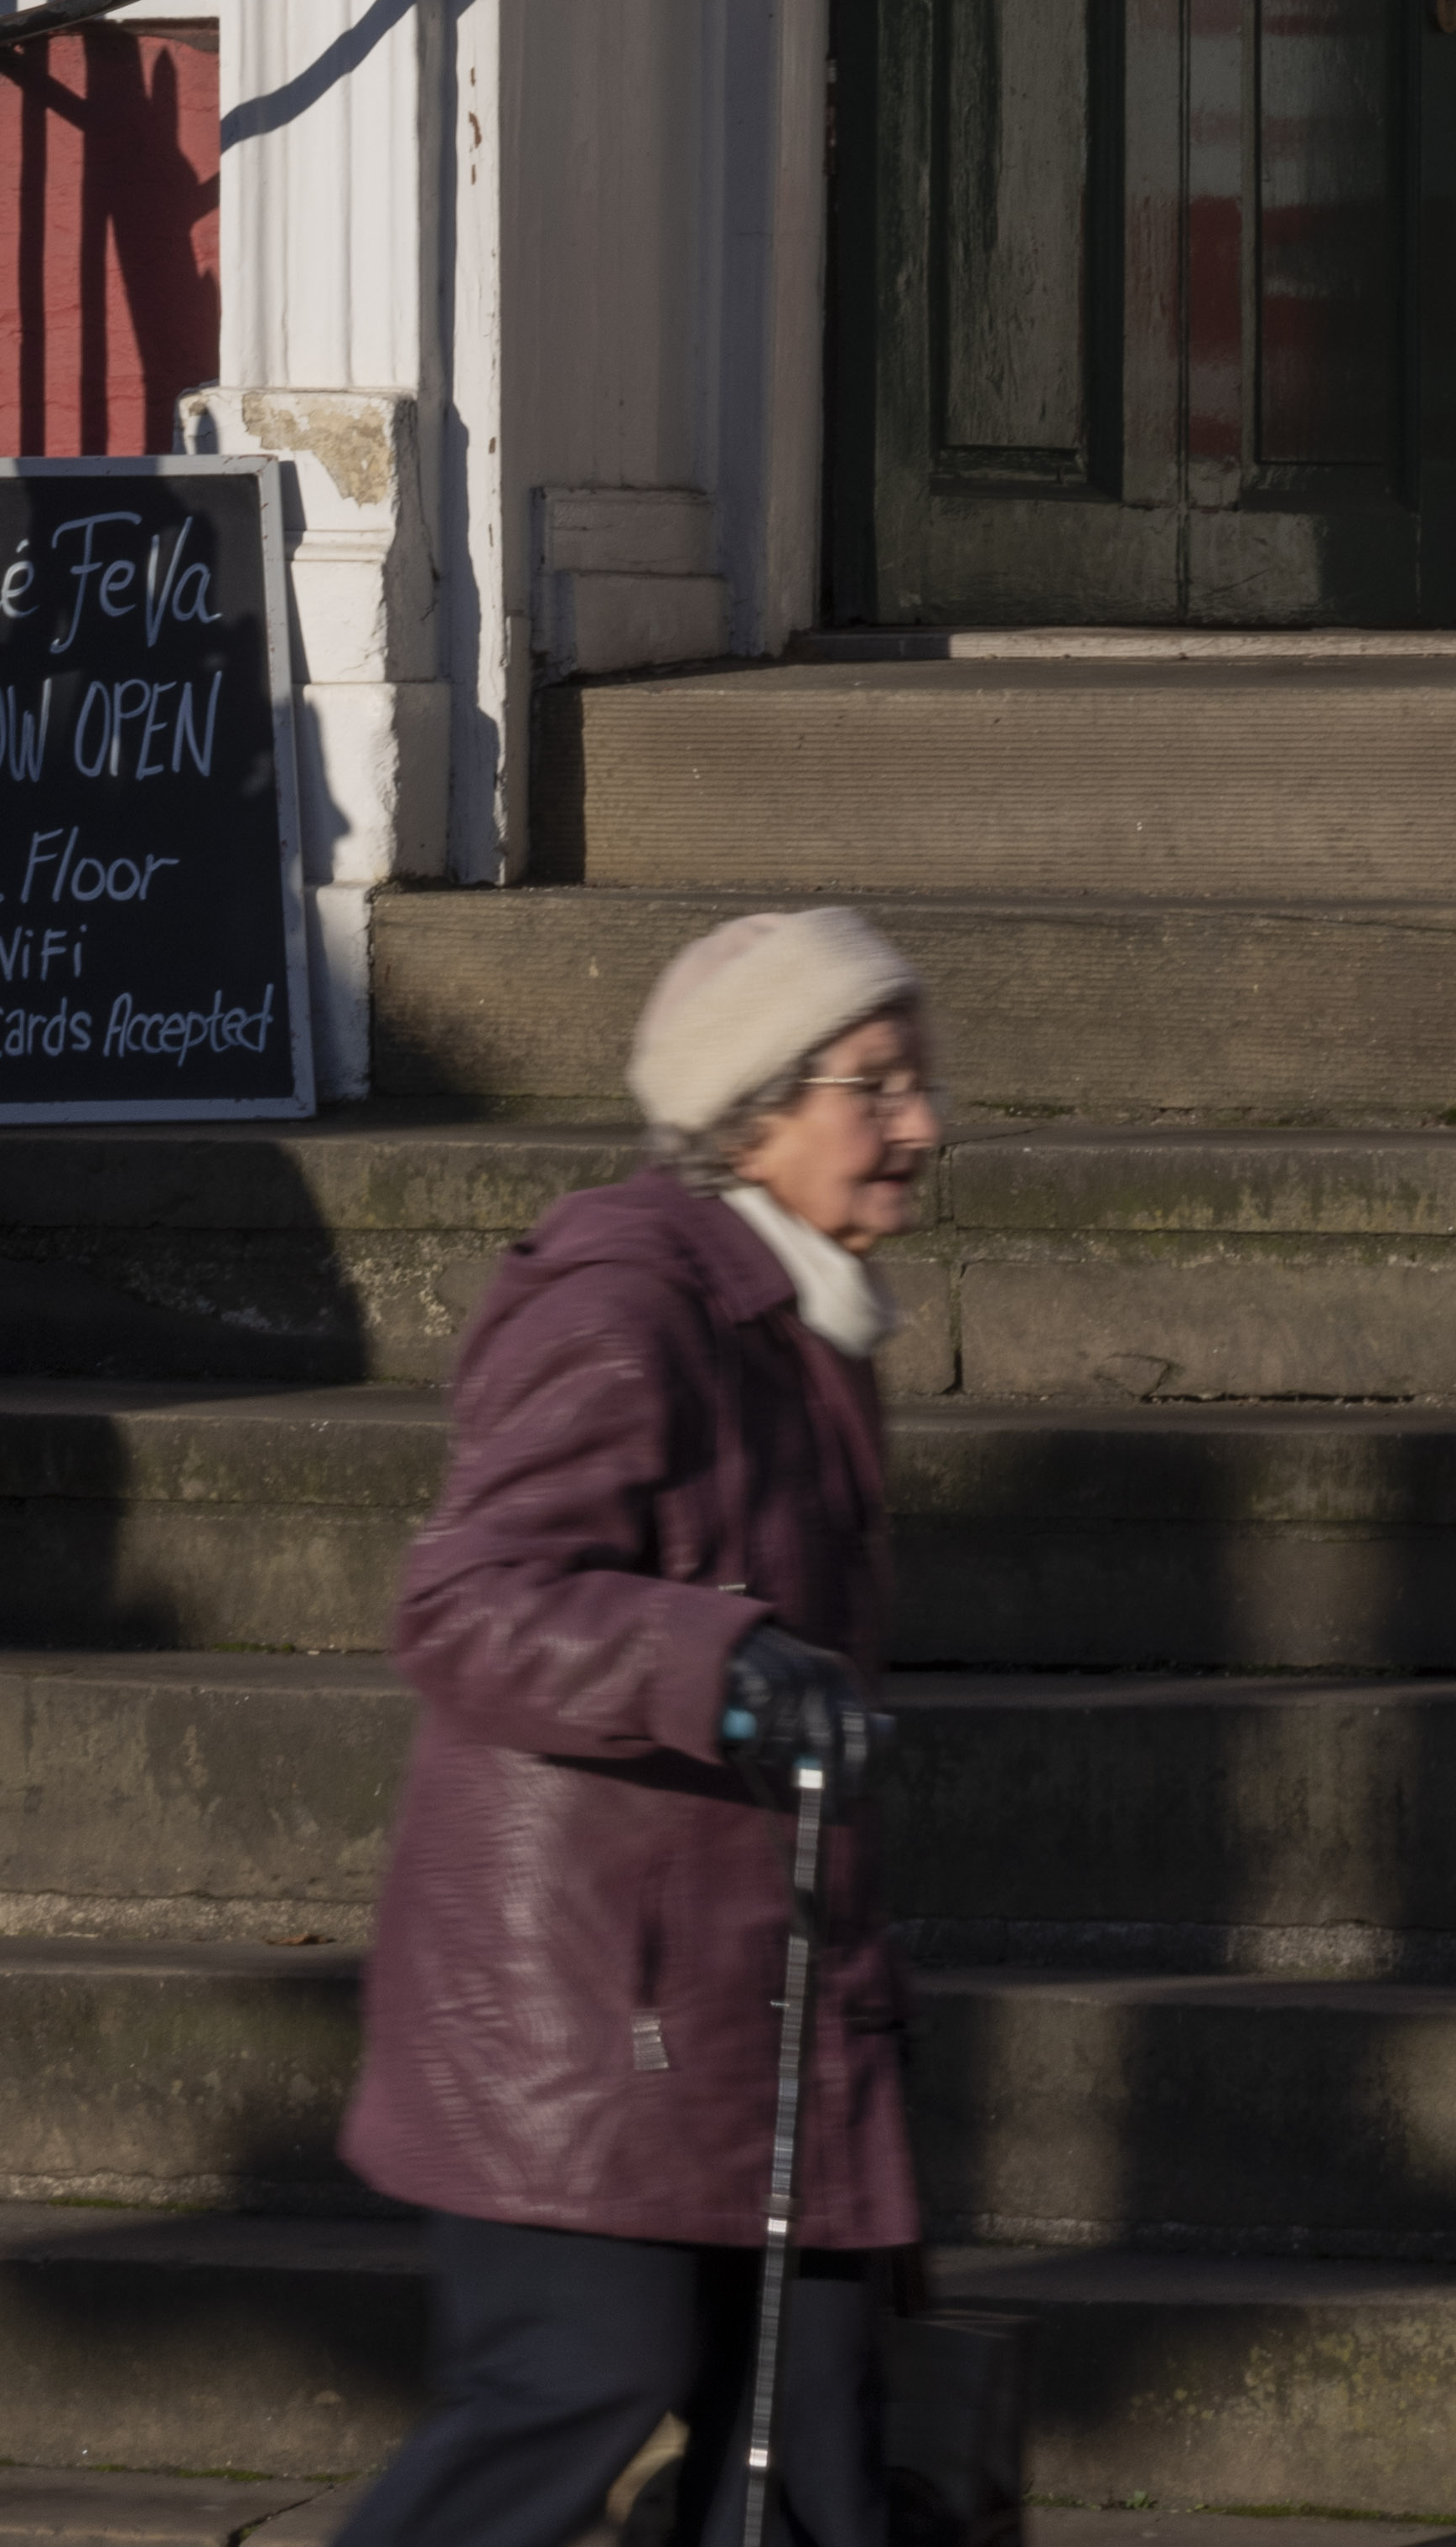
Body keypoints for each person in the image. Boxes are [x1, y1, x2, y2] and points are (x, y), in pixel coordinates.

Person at [329, 905, 946, 2547]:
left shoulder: (803, 1316)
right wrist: (724, 1665)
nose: (920, 1128)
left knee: (814, 2449)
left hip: (760, 2001)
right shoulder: (626, 1298)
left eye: (920, 1083)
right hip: (590, 2023)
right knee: (575, 2383)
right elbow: (467, 1604)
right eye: (875, 1087)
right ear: (755, 1107)